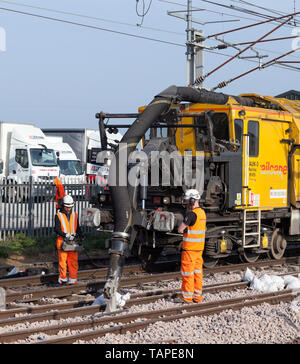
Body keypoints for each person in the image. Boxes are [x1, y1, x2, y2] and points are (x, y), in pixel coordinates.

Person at [175, 189, 206, 304]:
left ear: (192, 200)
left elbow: (180, 229)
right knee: (198, 274)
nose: (186, 203)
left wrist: (183, 229)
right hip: (199, 249)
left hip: (189, 250)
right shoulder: (202, 213)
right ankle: (197, 297)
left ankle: (186, 298)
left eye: (187, 201)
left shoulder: (191, 214)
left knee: (187, 273)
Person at [54, 195, 83, 285]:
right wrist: (66, 235)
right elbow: (57, 229)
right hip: (62, 241)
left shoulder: (74, 215)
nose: (68, 209)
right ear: (63, 205)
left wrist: (81, 235)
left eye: (70, 207)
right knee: (63, 262)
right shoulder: (58, 215)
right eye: (67, 207)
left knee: (73, 261)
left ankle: (73, 279)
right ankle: (62, 278)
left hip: (72, 241)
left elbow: (77, 227)